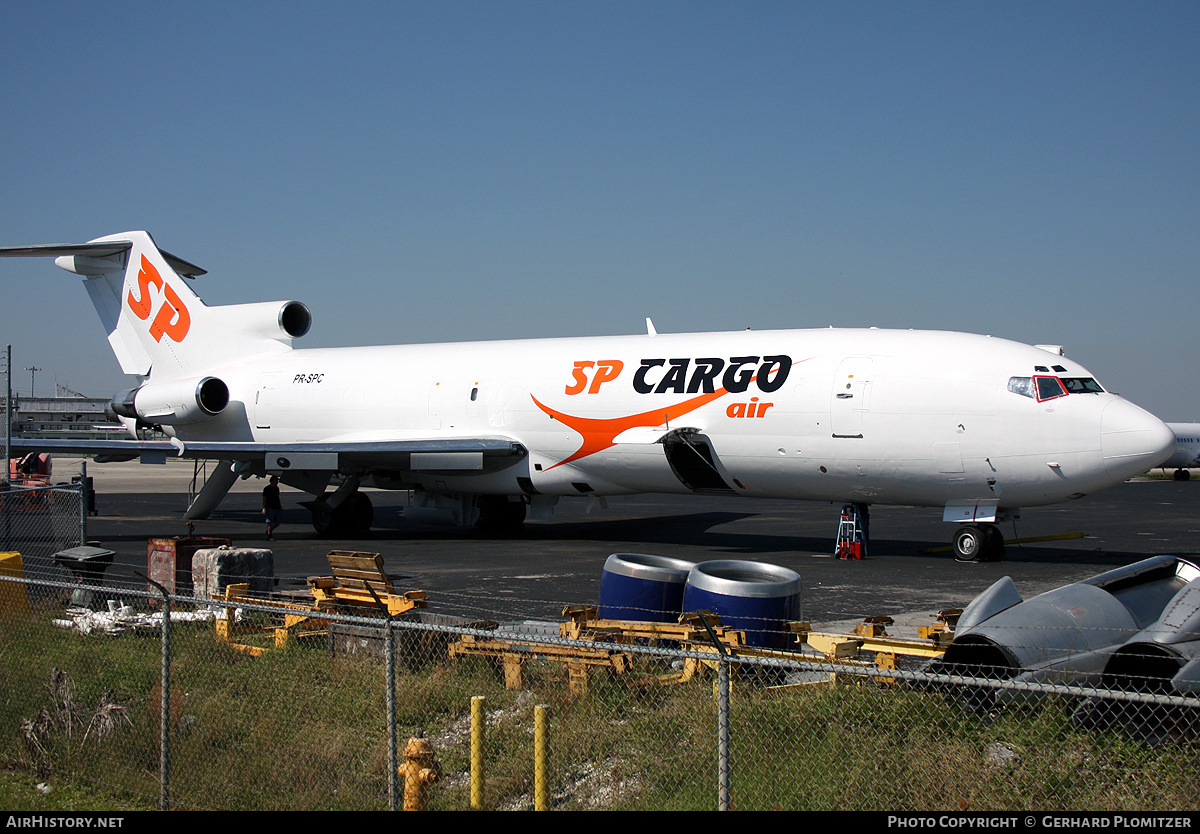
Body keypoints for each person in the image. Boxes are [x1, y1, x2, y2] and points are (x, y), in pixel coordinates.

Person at [262, 475, 282, 540]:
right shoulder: (267, 489)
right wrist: (264, 508)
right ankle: (269, 535)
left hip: (276, 506)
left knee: (278, 522)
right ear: (272, 481)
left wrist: (280, 506)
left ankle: (269, 531)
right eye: (275, 481)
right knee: (270, 522)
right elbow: (264, 498)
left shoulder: (276, 488)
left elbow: (277, 498)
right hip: (270, 507)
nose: (277, 482)